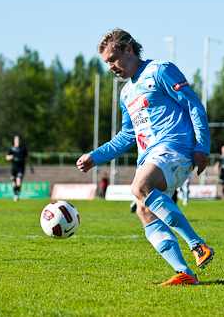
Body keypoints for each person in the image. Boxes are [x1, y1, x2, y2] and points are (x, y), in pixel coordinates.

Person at [76, 29, 214, 286]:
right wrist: (95, 157)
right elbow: (126, 136)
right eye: (106, 63)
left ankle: (197, 245)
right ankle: (185, 273)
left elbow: (194, 104)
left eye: (113, 59)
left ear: (128, 49)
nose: (110, 67)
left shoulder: (161, 70)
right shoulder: (126, 93)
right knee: (143, 210)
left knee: (140, 187)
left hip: (175, 149)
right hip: (151, 157)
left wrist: (203, 146)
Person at [5, 136, 33, 202]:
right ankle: (15, 193)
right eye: (16, 140)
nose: (18, 141)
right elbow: (7, 157)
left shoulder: (23, 148)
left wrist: (31, 167)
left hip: (21, 167)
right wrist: (11, 157)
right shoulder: (12, 148)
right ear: (14, 140)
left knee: (19, 179)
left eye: (18, 140)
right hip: (14, 167)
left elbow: (27, 157)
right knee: (14, 181)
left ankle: (17, 194)